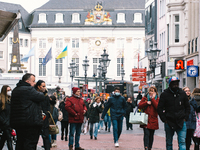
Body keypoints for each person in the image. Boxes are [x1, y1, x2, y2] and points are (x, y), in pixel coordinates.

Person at [10, 73, 45, 150]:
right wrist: (42, 90)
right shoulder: (29, 89)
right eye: (33, 81)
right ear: (27, 81)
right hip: (30, 122)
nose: (35, 83)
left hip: (18, 122)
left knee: (20, 143)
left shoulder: (15, 90)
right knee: (30, 144)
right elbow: (41, 97)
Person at [157, 76, 190, 150]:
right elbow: (159, 108)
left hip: (181, 121)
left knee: (182, 142)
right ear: (170, 84)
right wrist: (164, 119)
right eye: (173, 84)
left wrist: (185, 117)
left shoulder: (182, 93)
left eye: (177, 83)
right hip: (169, 121)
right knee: (169, 142)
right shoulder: (165, 94)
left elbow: (187, 106)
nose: (175, 85)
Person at [35, 80, 51, 150]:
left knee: (46, 137)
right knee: (35, 138)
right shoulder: (34, 95)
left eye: (45, 86)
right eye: (43, 86)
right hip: (36, 119)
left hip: (44, 120)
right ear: (38, 87)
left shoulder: (46, 96)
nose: (44, 88)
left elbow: (48, 107)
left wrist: (47, 114)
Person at [0, 85, 13, 150]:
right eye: (8, 90)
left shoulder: (10, 100)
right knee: (9, 138)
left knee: (4, 138)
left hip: (9, 122)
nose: (10, 91)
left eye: (10, 90)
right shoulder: (1, 101)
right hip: (4, 123)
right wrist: (3, 121)